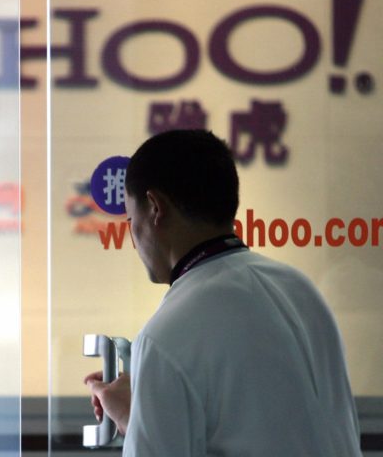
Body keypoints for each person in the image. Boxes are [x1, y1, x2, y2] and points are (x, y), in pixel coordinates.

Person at [84, 129, 361, 456]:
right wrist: (144, 415)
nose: (133, 238)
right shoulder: (300, 291)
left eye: (132, 219)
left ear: (155, 207)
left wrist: (143, 418)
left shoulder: (166, 337)